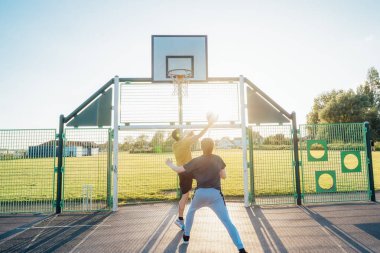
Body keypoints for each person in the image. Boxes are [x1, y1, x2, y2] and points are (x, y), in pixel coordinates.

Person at [165, 138, 247, 253]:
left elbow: (179, 169)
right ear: (213, 147)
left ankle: (186, 238)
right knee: (227, 221)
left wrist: (169, 164)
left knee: (190, 212)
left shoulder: (196, 161)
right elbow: (224, 176)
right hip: (215, 195)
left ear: (201, 147)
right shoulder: (218, 159)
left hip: (200, 194)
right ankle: (241, 248)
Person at [171, 118, 215, 230]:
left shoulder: (175, 145)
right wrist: (209, 124)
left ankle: (201, 199)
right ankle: (180, 219)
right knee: (185, 196)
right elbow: (200, 135)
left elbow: (186, 139)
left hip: (184, 171)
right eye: (182, 132)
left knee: (187, 193)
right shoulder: (185, 141)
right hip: (188, 171)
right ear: (180, 135)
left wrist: (189, 132)